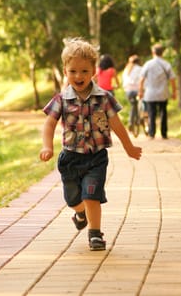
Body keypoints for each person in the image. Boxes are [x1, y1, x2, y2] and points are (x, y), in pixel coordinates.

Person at [40, 38, 142, 251]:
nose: (79, 76)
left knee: (91, 194)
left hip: (96, 157)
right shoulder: (61, 99)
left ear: (94, 71)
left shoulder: (104, 98)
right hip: (70, 158)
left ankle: (95, 234)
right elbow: (49, 124)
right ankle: (80, 213)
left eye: (85, 71)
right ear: (65, 71)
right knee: (73, 199)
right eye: (73, 71)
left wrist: (129, 147)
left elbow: (116, 124)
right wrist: (47, 146)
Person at [139, 43, 176, 139]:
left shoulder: (148, 64)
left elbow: (141, 79)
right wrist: (174, 92)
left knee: (152, 113)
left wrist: (140, 91)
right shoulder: (166, 64)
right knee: (163, 112)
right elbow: (172, 79)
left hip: (150, 94)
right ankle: (164, 134)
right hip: (163, 93)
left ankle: (152, 134)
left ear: (153, 52)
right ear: (162, 53)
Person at [122, 54, 142, 131]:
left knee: (134, 105)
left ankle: (136, 121)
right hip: (137, 90)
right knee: (135, 105)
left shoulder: (126, 69)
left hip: (128, 91)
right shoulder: (140, 69)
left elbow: (124, 81)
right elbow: (142, 80)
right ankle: (133, 122)